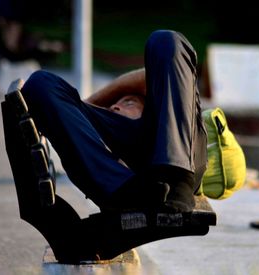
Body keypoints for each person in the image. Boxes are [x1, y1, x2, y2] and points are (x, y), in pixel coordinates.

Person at [20, 29, 208, 213]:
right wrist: (77, 113)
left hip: (181, 152)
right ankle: (123, 190)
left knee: (165, 39)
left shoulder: (163, 101)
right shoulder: (113, 132)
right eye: (113, 106)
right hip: (130, 180)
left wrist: (91, 103)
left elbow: (149, 76)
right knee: (40, 83)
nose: (115, 107)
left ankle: (177, 178)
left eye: (129, 101)